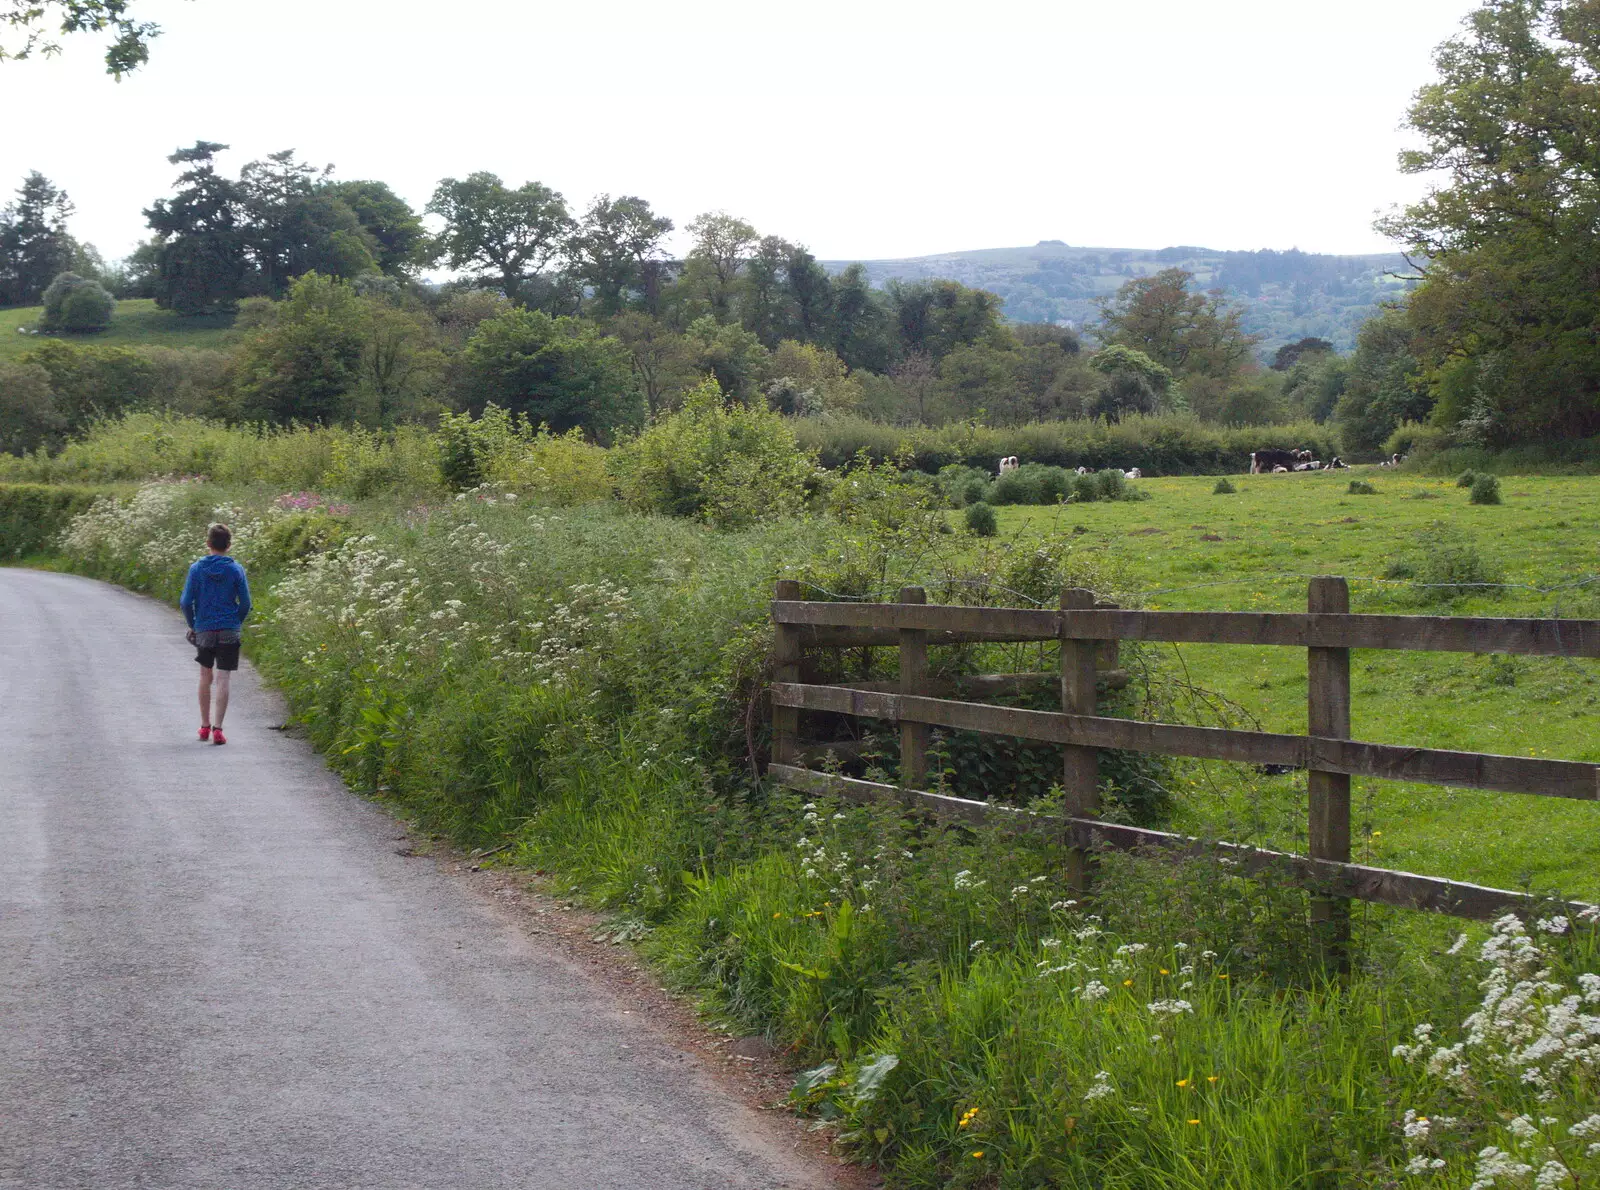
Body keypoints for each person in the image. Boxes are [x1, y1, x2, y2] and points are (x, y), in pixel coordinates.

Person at [179, 523, 252, 745]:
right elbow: (246, 603)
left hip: (205, 627)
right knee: (223, 678)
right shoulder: (235, 569)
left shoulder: (196, 569)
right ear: (228, 546)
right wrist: (234, 623)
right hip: (228, 628)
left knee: (205, 675)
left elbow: (185, 602)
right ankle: (218, 729)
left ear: (208, 544)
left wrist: (194, 624)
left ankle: (204, 726)